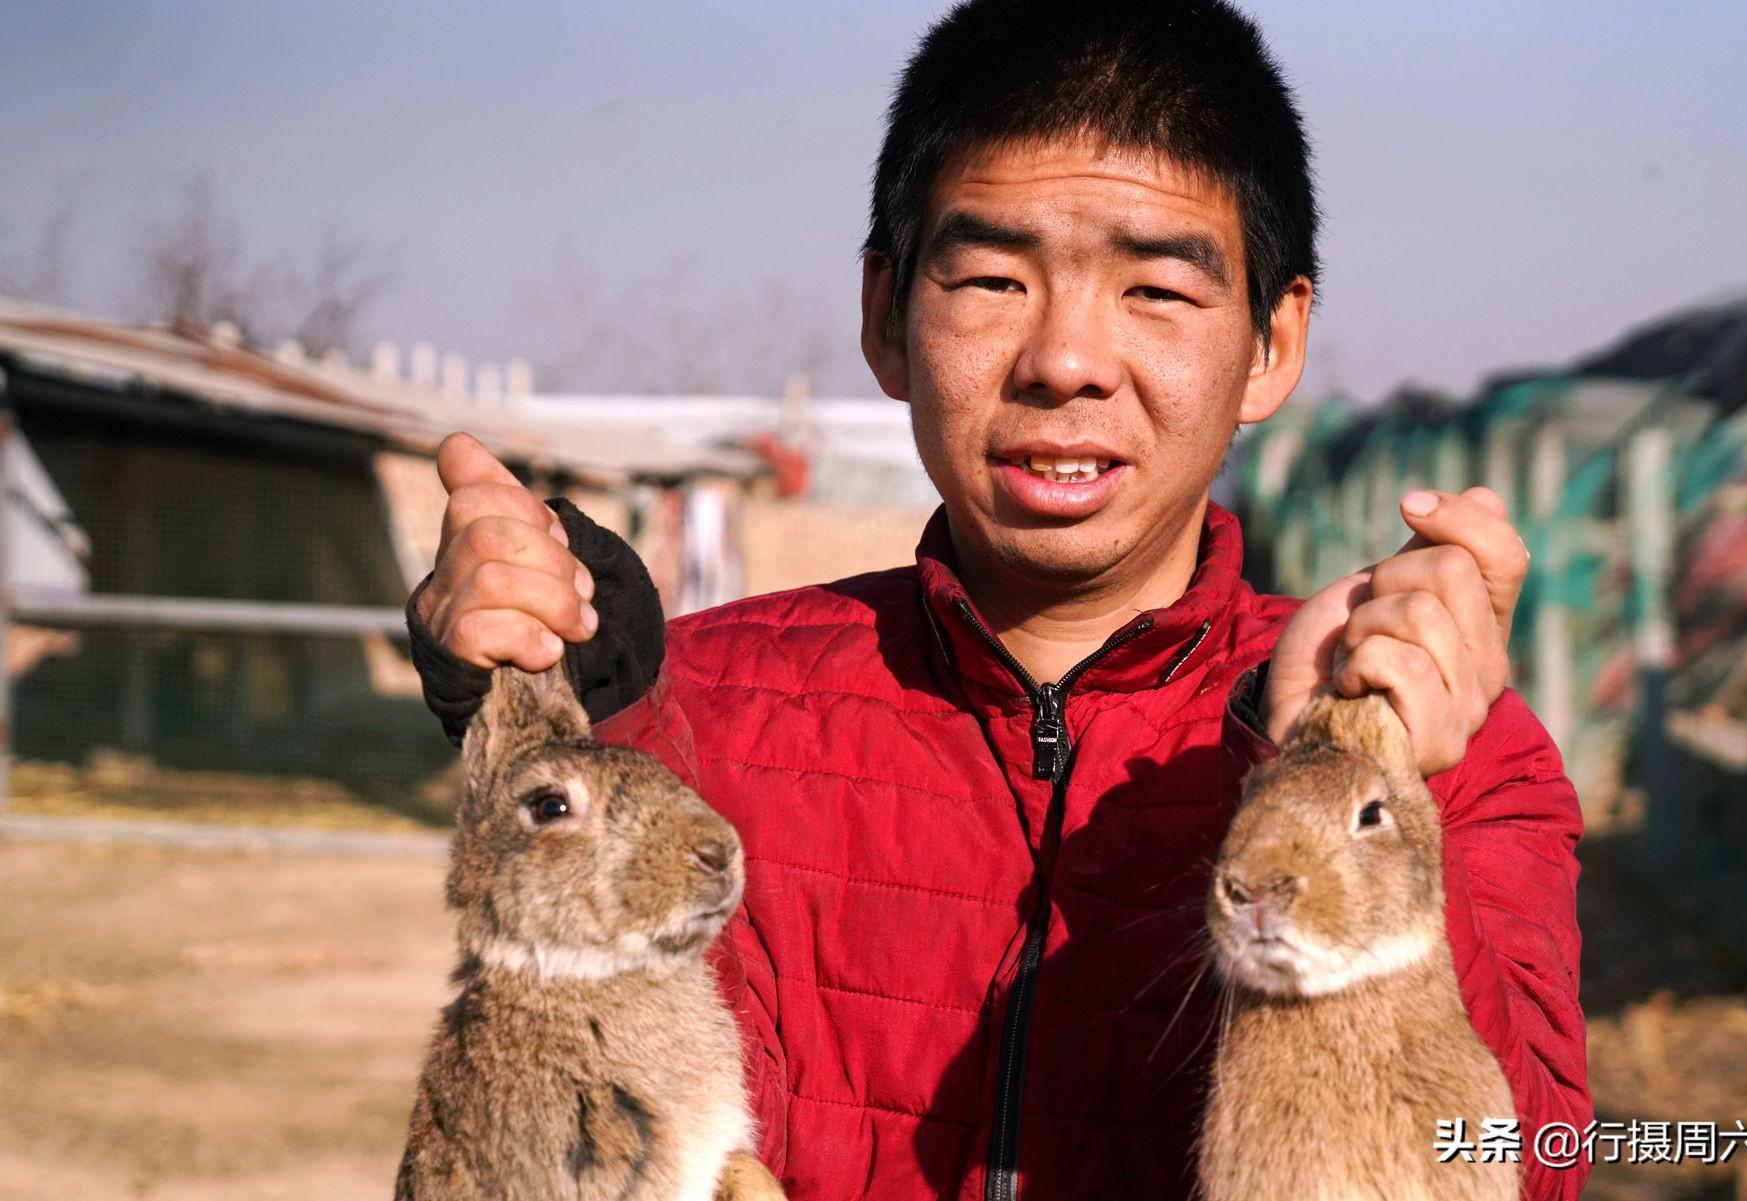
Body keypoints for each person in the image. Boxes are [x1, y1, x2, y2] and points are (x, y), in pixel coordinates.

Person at [405, 2, 1591, 1197]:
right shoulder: (691, 714)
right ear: (885, 315)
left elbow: (1529, 1159)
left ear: (1274, 344)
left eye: (1157, 292)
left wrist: (1316, 771)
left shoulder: (1454, 755)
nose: (1066, 359)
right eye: (990, 277)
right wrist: (563, 716)